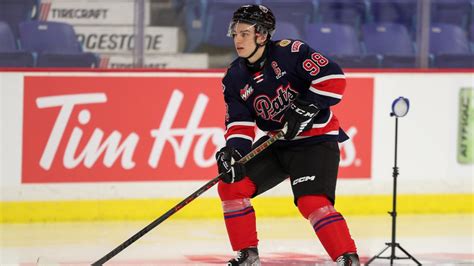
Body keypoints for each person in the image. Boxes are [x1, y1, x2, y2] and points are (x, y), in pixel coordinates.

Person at [215, 4, 360, 266]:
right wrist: (234, 151)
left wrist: (308, 106)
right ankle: (247, 254)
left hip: (316, 140)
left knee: (311, 201)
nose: (238, 39)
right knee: (231, 186)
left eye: (244, 33)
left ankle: (346, 258)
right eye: (235, 33)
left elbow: (334, 79)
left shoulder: (291, 52)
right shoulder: (234, 76)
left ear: (262, 35)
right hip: (278, 142)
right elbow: (239, 122)